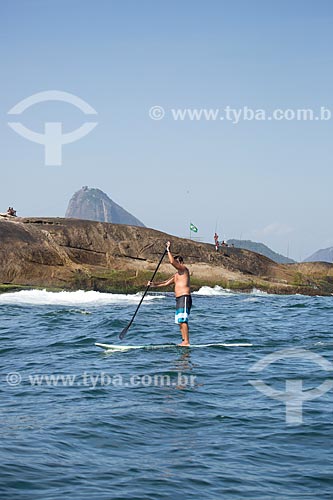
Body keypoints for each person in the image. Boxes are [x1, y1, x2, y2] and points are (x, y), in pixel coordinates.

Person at [148, 241, 192, 346]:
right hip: (178, 299)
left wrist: (168, 250)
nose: (176, 265)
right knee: (179, 321)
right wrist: (153, 284)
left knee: (183, 319)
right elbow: (165, 283)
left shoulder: (184, 270)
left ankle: (186, 341)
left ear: (181, 262)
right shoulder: (176, 275)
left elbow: (172, 262)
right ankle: (183, 340)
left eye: (177, 263)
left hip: (185, 297)